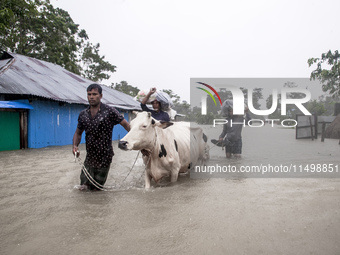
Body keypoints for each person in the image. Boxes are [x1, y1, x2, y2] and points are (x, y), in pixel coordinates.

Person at [72, 83, 130, 191]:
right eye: (89, 94)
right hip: (90, 157)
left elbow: (126, 125)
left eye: (94, 94)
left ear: (101, 96)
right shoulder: (83, 114)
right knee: (83, 188)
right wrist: (75, 146)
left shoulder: (110, 111)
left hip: (105, 157)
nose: (91, 97)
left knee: (96, 190)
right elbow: (78, 133)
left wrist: (138, 141)